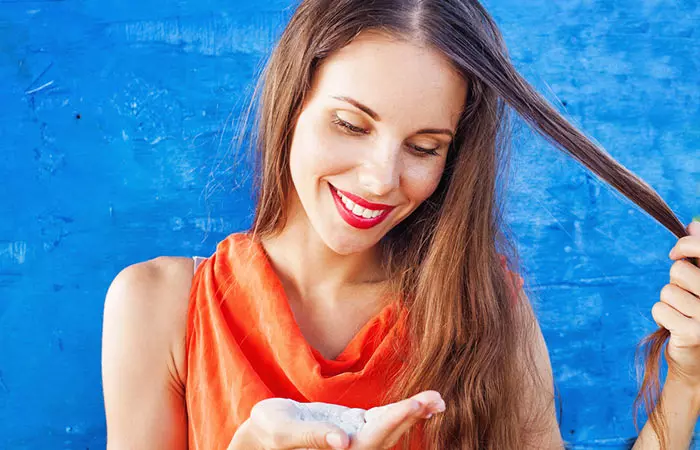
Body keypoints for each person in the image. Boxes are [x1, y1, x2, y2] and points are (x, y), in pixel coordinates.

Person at [101, 1, 700, 448]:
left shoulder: (486, 308)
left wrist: (688, 377)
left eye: (424, 146)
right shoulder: (157, 307)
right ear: (293, 102)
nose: (381, 179)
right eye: (352, 125)